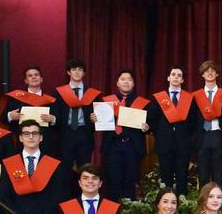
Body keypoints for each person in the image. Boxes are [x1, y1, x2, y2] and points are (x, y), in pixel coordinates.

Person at [100, 69, 150, 200]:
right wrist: (95, 118)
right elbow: (101, 124)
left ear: (133, 84)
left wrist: (146, 127)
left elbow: (150, 125)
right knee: (113, 182)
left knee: (130, 181)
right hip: (113, 146)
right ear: (117, 83)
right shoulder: (107, 102)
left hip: (132, 147)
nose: (126, 82)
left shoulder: (143, 103)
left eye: (129, 79)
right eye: (123, 79)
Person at [147, 65, 198, 195]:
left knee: (182, 179)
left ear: (183, 80)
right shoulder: (159, 98)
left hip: (183, 145)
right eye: (173, 74)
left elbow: (193, 123)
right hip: (164, 145)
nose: (176, 77)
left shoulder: (189, 99)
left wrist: (183, 135)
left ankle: (182, 209)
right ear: (168, 77)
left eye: (179, 75)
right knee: (166, 179)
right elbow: (152, 120)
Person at [52, 58, 101, 170]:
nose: (77, 72)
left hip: (85, 134)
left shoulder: (93, 93)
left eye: (80, 70)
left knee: (84, 169)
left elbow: (99, 117)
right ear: (68, 72)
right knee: (64, 170)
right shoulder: (59, 92)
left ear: (84, 73)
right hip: (65, 135)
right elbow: (56, 115)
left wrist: (95, 119)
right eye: (74, 69)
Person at [192, 60, 222, 189]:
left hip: (219, 136)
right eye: (207, 71)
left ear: (217, 74)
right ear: (202, 74)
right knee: (203, 175)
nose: (210, 73)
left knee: (219, 175)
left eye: (213, 70)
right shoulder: (196, 96)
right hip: (203, 137)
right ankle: (203, 205)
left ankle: (220, 205)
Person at [0, 65, 56, 142]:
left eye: (36, 75)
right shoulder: (16, 98)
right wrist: (10, 116)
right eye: (30, 76)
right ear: (26, 81)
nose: (33, 77)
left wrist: (53, 119)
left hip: (45, 141)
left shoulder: (50, 100)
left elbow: (60, 121)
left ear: (41, 79)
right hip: (22, 141)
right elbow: (3, 118)